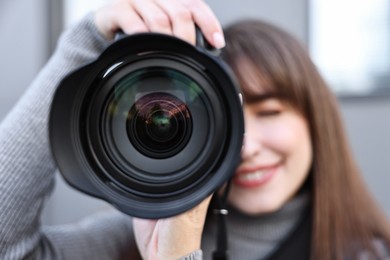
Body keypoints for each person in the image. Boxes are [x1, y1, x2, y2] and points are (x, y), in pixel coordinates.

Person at [0, 0, 389, 259]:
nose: (247, 145)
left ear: (316, 122)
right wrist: (88, 38)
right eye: (222, 119)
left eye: (269, 112)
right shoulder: (139, 237)